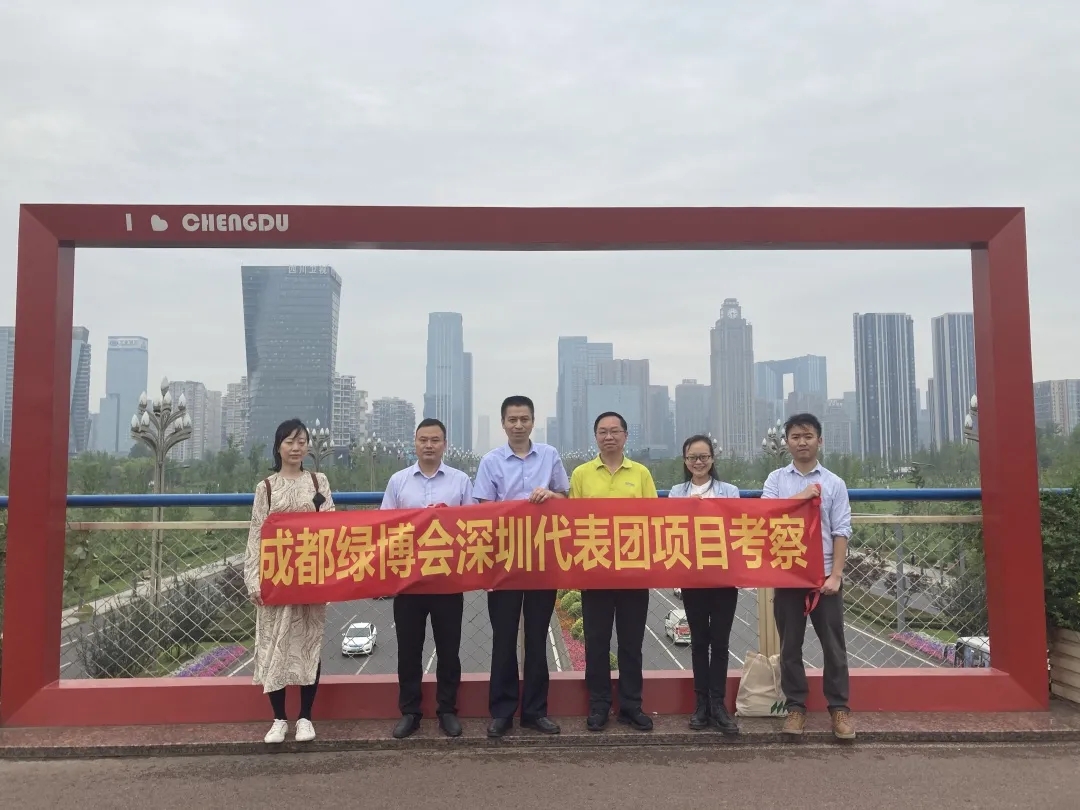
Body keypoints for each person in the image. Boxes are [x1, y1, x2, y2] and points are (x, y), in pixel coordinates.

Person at [473, 395, 569, 738]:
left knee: (537, 638)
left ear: (532, 422)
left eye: (524, 419)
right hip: (504, 563)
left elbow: (565, 499)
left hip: (542, 559)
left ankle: (535, 711)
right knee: (504, 639)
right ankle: (502, 712)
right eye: (512, 419)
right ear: (503, 424)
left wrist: (551, 496)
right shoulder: (490, 461)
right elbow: (483, 510)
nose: (518, 425)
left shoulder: (550, 455)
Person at [761, 413, 855, 740]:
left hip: (824, 577)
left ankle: (839, 709)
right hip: (788, 574)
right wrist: (801, 497)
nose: (802, 442)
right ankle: (796, 708)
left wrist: (836, 575)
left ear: (820, 441)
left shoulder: (834, 483)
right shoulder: (776, 480)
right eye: (796, 437)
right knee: (790, 647)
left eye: (808, 436)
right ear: (786, 442)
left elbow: (841, 531)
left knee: (833, 646)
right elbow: (766, 516)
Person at [381, 418, 474, 739]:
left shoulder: (460, 481)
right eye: (423, 440)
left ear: (444, 444)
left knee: (449, 650)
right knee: (409, 650)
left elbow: (471, 527)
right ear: (415, 443)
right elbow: (385, 527)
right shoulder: (398, 481)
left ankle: (447, 709)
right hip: (409, 583)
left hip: (447, 581)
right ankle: (410, 712)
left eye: (435, 440)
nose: (429, 445)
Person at [244, 418, 334, 745]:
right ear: (278, 446)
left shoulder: (318, 483)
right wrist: (253, 579)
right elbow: (257, 534)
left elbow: (331, 527)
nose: (296, 448)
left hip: (309, 577)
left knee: (308, 646)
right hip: (276, 580)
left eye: (302, 441)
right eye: (289, 442)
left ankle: (306, 717)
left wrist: (329, 575)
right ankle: (279, 719)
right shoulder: (266, 488)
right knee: (275, 646)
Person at [569, 411, 658, 732]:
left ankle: (631, 705)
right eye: (603, 432)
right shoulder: (581, 474)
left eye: (615, 431)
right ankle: (599, 705)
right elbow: (573, 522)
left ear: (625, 436)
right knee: (596, 643)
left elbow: (654, 519)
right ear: (595, 437)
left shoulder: (641, 473)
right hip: (595, 572)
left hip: (633, 573)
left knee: (631, 643)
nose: (609, 436)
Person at [668, 434, 741, 735]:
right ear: (685, 461)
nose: (698, 462)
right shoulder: (677, 493)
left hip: (724, 577)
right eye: (692, 457)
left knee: (720, 644)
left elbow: (737, 527)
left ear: (712, 459)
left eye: (704, 457)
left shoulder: (729, 491)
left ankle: (718, 704)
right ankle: (701, 705)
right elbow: (670, 529)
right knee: (699, 642)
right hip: (692, 577)